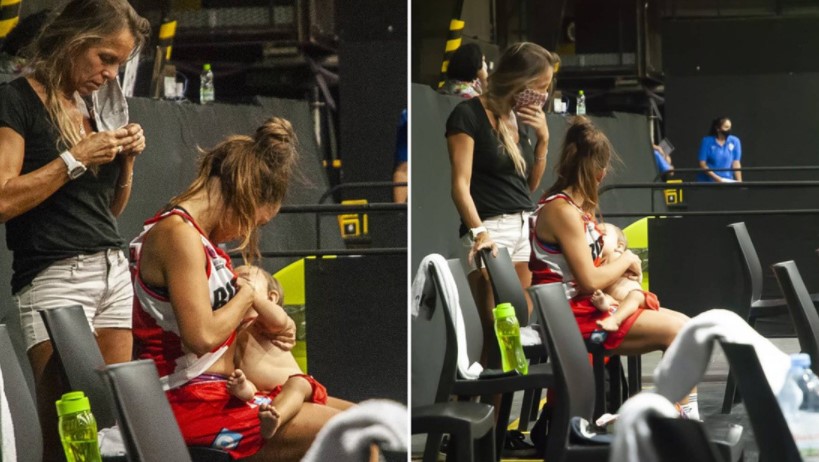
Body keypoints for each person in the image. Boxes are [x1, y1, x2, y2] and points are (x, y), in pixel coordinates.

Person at [131, 117, 354, 461]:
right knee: (357, 437)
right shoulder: (177, 235)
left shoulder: (207, 244)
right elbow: (202, 336)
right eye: (256, 222)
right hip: (187, 402)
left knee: (372, 419)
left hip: (224, 395)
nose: (243, 235)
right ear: (245, 197)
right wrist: (249, 295)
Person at [0, 1, 148, 458]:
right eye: (105, 58)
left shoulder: (92, 107)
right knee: (69, 433)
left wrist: (126, 163)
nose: (109, 74)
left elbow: (109, 209)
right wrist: (76, 158)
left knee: (110, 434)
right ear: (74, 39)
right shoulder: (16, 98)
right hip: (56, 277)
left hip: (111, 271)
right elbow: (3, 198)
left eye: (119, 65)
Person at [529, 116, 697, 420]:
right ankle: (682, 421)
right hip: (571, 317)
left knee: (686, 325)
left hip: (586, 307)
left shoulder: (576, 207)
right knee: (681, 332)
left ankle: (682, 415)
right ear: (599, 172)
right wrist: (627, 261)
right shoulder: (561, 210)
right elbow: (590, 280)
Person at [446, 41, 558, 365]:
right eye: (541, 86)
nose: (543, 95)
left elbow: (529, 186)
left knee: (515, 333)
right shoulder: (467, 116)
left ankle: (494, 409)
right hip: (491, 230)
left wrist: (543, 141)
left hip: (523, 227)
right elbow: (459, 187)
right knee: (496, 335)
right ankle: (479, 408)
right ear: (519, 81)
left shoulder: (515, 120)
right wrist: (480, 232)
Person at [227, 266, 353, 439]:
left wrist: (251, 295)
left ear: (271, 298)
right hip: (262, 396)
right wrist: (242, 387)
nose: (236, 281)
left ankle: (276, 418)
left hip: (298, 387)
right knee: (244, 386)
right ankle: (271, 418)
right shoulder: (230, 332)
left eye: (246, 278)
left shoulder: (264, 324)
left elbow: (278, 320)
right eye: (232, 278)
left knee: (357, 413)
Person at [590, 223, 653, 333]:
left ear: (619, 246)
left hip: (636, 299)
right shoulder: (596, 262)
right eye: (593, 234)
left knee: (636, 294)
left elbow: (634, 269)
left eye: (602, 234)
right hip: (616, 301)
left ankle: (615, 320)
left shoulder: (618, 256)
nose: (595, 237)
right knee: (604, 297)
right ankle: (606, 305)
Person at [697, 117, 742, 182]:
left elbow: (736, 162)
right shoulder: (706, 141)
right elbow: (702, 164)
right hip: (707, 182)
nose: (729, 130)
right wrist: (717, 179)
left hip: (727, 181)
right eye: (726, 127)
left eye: (730, 127)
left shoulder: (735, 141)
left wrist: (739, 182)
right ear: (718, 128)